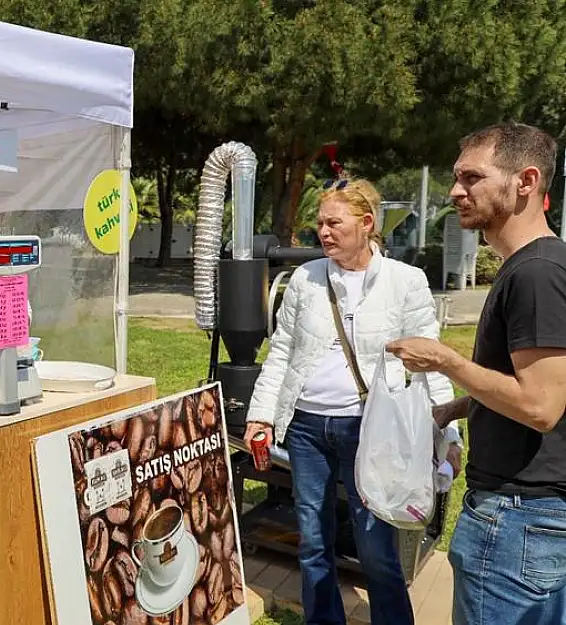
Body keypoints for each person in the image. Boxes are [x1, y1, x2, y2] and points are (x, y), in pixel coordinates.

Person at [242, 178, 461, 625]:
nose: (323, 232)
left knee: (376, 543)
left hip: (368, 429)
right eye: (319, 223)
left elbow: (430, 361)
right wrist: (262, 415)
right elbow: (282, 350)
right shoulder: (306, 278)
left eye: (333, 223)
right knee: (312, 539)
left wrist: (448, 433)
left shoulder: (405, 282)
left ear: (366, 223)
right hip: (305, 428)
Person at [387, 122, 566, 624]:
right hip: (526, 518)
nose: (455, 191)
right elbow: (543, 382)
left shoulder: (537, 274)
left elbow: (541, 406)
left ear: (525, 181)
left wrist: (446, 361)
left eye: (472, 178)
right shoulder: (533, 266)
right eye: (455, 177)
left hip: (517, 520)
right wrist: (458, 405)